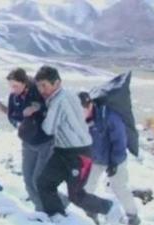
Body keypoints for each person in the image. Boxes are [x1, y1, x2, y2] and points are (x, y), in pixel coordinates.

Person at [35, 65, 120, 223]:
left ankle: (109, 207)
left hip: (78, 154)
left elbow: (48, 129)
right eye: (39, 86)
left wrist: (39, 114)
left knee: (76, 195)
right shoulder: (67, 94)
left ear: (57, 83)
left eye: (44, 85)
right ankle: (58, 217)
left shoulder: (58, 101)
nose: (41, 90)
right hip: (62, 151)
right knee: (44, 183)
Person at [79, 92, 141, 225]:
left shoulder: (109, 116)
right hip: (95, 158)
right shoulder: (80, 119)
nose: (80, 113)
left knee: (119, 187)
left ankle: (133, 216)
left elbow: (120, 140)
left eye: (82, 110)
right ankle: (90, 213)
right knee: (86, 187)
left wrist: (114, 163)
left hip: (115, 158)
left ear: (90, 105)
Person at [5, 68, 53, 212]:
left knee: (38, 179)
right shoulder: (13, 97)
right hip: (27, 142)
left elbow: (50, 111)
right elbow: (11, 116)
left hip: (45, 142)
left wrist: (38, 110)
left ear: (25, 83)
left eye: (16, 86)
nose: (13, 89)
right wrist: (23, 115)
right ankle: (41, 209)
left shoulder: (38, 92)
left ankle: (55, 205)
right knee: (28, 179)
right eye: (11, 86)